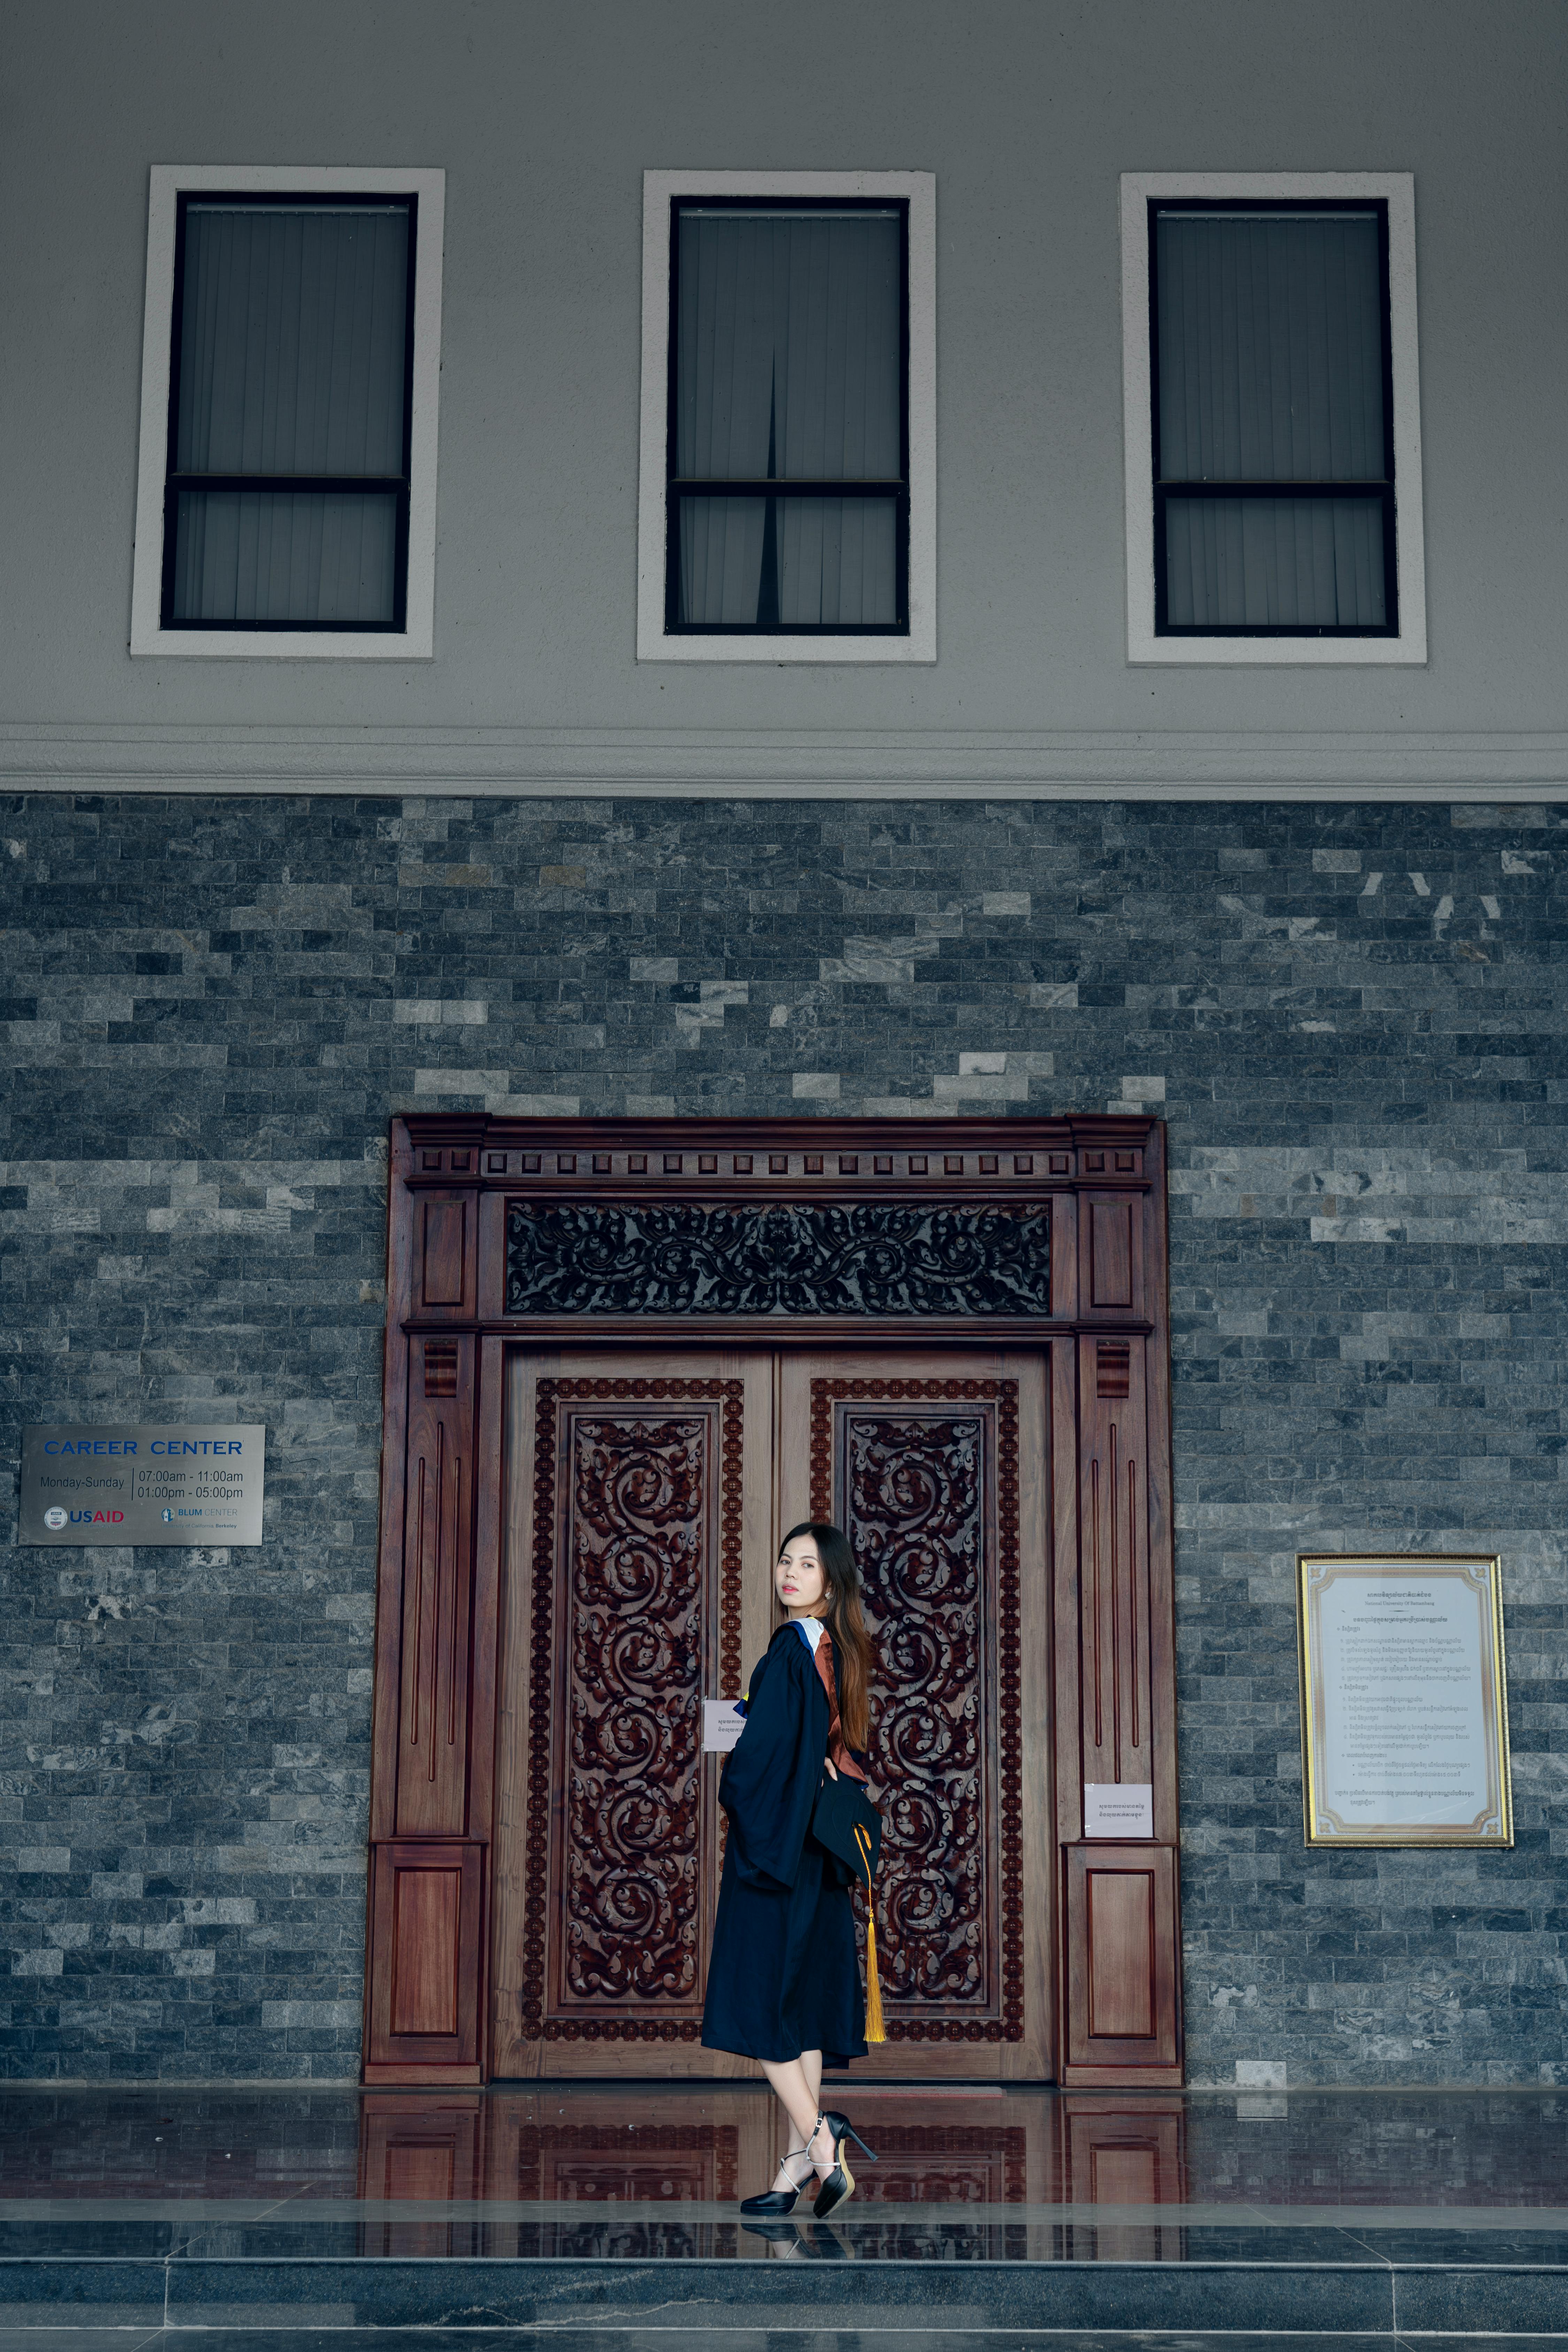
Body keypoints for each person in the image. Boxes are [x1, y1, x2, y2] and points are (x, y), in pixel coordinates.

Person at [701, 1520, 879, 2220]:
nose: (791, 1573)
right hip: (815, 1856)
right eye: (786, 1561)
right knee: (800, 2014)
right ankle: (796, 2170)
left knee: (760, 2007)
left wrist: (737, 1771)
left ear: (830, 1584)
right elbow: (826, 1754)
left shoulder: (785, 1654)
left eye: (807, 1565)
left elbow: (761, 1761)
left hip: (774, 1858)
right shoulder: (834, 1652)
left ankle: (820, 2134)